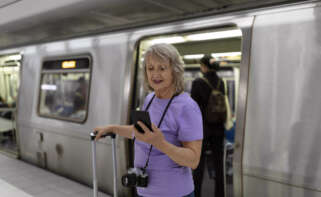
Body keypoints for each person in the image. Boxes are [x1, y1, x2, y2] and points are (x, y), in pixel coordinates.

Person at [95, 43, 203, 197]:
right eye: (150, 68)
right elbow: (142, 133)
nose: (155, 74)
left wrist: (160, 143)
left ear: (175, 71)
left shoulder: (187, 107)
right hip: (145, 191)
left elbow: (193, 160)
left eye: (162, 68)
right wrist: (112, 128)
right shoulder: (150, 99)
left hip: (175, 193)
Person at [191, 55, 225, 197]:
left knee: (198, 164)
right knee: (218, 164)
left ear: (204, 66)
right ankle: (220, 194)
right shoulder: (221, 82)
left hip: (202, 129)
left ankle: (197, 193)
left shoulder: (198, 82)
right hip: (219, 128)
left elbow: (192, 107)